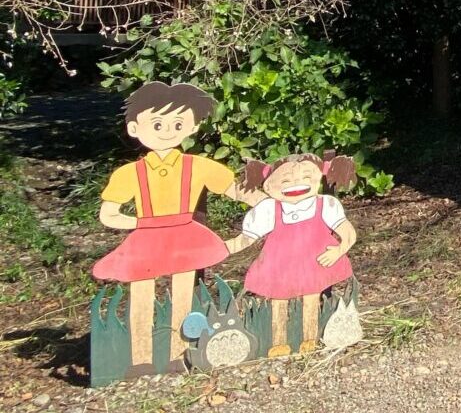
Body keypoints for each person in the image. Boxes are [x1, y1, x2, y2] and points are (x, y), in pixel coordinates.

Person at [94, 82, 263, 375]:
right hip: (146, 239)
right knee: (141, 297)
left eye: (177, 123)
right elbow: (109, 214)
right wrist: (141, 224)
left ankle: (178, 354)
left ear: (193, 126)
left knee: (184, 296)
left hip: (185, 236)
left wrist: (275, 202)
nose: (167, 130)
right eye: (157, 123)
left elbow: (237, 191)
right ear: (134, 128)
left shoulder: (199, 166)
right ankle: (140, 359)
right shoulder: (129, 174)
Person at [224, 152, 358, 355]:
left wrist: (339, 251)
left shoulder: (325, 205)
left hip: (313, 261)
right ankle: (278, 342)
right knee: (278, 300)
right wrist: (224, 248)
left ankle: (310, 339)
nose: (296, 184)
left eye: (306, 177)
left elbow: (348, 233)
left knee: (311, 297)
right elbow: (248, 238)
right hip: (279, 265)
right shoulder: (269, 209)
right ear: (269, 186)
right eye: (285, 180)